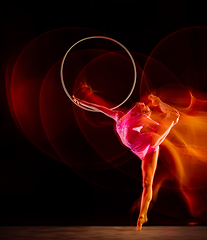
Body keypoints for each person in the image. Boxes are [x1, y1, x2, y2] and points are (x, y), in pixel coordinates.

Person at [73, 94, 180, 230]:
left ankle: (142, 215)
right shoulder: (118, 115)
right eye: (144, 104)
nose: (143, 104)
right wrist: (81, 102)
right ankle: (144, 215)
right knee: (146, 183)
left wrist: (160, 110)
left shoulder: (144, 118)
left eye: (145, 106)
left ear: (143, 111)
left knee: (174, 115)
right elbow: (101, 108)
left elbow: (157, 127)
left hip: (150, 142)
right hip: (142, 149)